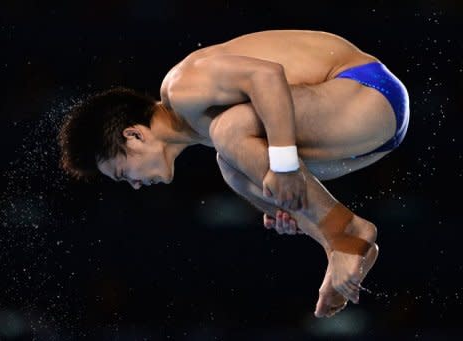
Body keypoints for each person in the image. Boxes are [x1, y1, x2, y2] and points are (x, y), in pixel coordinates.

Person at [58, 30, 409, 317]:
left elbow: (266, 75)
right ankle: (334, 241)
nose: (135, 185)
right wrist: (290, 209)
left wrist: (285, 166)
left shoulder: (182, 87)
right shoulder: (209, 136)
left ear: (134, 135)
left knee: (229, 132)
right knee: (232, 166)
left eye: (123, 174)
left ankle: (346, 232)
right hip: (359, 131)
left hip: (367, 90)